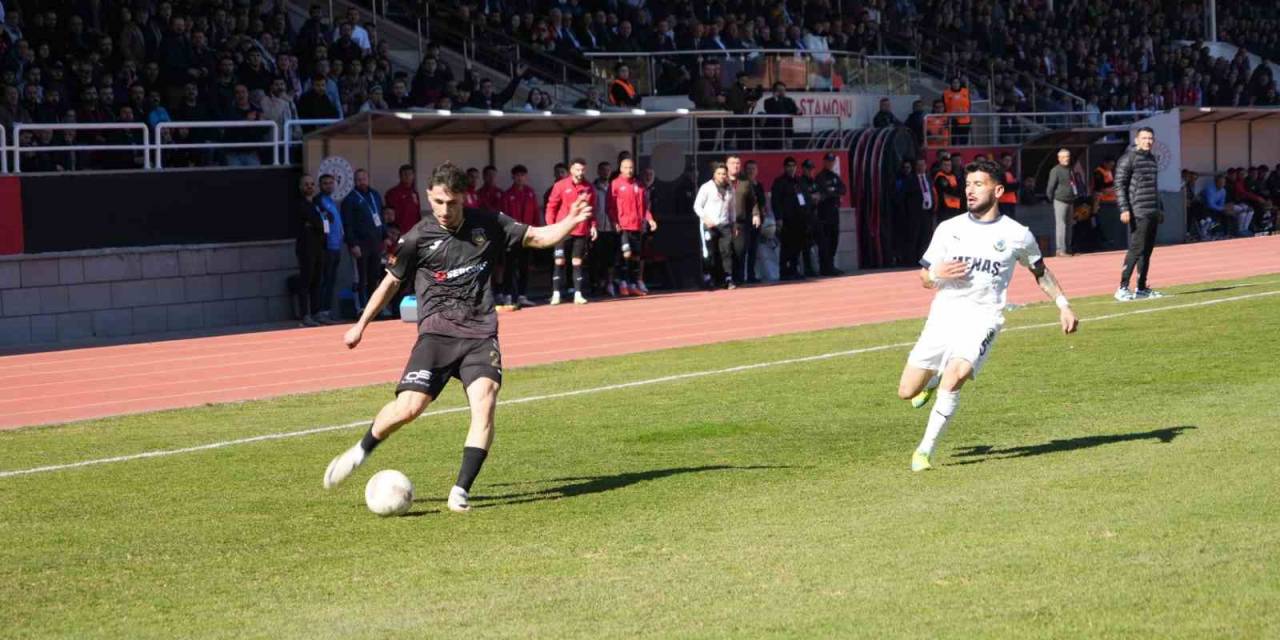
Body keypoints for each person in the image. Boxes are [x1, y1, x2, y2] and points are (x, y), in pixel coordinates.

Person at [319, 163, 594, 510]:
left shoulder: (490, 223)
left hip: (480, 334)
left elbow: (538, 237)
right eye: (437, 202)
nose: (444, 210)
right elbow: (390, 282)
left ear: (464, 198)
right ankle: (360, 451)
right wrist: (360, 325)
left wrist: (570, 221)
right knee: (409, 408)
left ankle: (460, 490)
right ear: (429, 197)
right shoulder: (417, 237)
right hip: (437, 335)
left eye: (451, 202)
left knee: (485, 404)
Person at [898, 158, 1079, 472]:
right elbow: (925, 278)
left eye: (978, 184)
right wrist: (935, 273)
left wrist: (1063, 304)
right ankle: (933, 380)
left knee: (958, 375)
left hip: (984, 318)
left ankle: (924, 451)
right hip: (943, 316)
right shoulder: (948, 229)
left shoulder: (1017, 235)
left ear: (998, 190)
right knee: (906, 391)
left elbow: (1040, 271)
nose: (969, 190)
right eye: (968, 184)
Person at [1114, 127, 1164, 301]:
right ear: (1136, 140)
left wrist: (1160, 208)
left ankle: (1141, 288)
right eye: (1144, 138)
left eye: (1150, 138)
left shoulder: (1151, 159)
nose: (1147, 141)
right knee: (1136, 249)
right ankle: (1122, 288)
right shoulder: (1128, 158)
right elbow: (1119, 185)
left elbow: (1154, 187)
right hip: (1138, 210)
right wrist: (1124, 209)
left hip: (1152, 210)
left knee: (1147, 251)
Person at [545, 158, 597, 305]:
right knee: (559, 261)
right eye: (577, 170)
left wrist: (593, 225)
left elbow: (592, 209)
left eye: (582, 170)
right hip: (563, 229)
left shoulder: (589, 187)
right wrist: (551, 225)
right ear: (571, 170)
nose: (580, 173)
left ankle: (578, 294)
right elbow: (551, 206)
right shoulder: (560, 185)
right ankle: (556, 294)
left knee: (577, 261)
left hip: (580, 230)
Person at [341, 169, 388, 314]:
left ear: (368, 179)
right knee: (361, 277)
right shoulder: (350, 199)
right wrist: (352, 244)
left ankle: (374, 306)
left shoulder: (375, 195)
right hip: (360, 244)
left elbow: (380, 215)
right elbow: (347, 224)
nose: (361, 182)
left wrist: (384, 236)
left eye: (364, 178)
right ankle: (361, 307)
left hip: (375, 242)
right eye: (358, 179)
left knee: (374, 276)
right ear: (354, 181)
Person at [610, 157, 657, 296]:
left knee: (636, 258)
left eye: (631, 168)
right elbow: (610, 207)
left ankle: (631, 284)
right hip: (623, 226)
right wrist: (614, 222)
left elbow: (643, 207)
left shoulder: (639, 185)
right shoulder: (615, 184)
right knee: (626, 254)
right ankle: (622, 283)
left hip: (637, 226)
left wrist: (650, 219)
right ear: (620, 169)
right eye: (626, 167)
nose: (629, 170)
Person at [694, 162, 736, 289]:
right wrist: (706, 219)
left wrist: (733, 223)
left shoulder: (730, 188)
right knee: (708, 253)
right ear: (714, 175)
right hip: (709, 225)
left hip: (724, 224)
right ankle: (708, 278)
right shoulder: (706, 187)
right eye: (719, 174)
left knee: (726, 251)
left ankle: (727, 278)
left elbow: (732, 208)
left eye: (724, 174)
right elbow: (697, 206)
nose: (722, 176)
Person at [502, 165, 539, 307]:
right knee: (510, 267)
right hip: (512, 236)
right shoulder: (507, 195)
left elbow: (535, 212)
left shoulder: (530, 193)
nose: (520, 178)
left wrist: (536, 230)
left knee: (525, 266)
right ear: (513, 177)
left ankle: (523, 295)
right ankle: (507, 296)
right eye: (517, 175)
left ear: (526, 177)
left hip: (528, 234)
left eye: (522, 175)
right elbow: (504, 217)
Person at [772, 156, 813, 279]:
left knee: (798, 246)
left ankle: (794, 270)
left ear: (796, 167)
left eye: (793, 166)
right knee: (786, 246)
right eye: (788, 166)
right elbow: (776, 201)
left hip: (800, 219)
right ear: (785, 168)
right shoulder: (779, 182)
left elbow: (806, 199)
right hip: (786, 219)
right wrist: (778, 218)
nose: (791, 168)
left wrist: (807, 215)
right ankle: (784, 271)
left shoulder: (800, 181)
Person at [295, 174, 326, 327]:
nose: (310, 187)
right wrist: (317, 223)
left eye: (312, 184)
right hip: (306, 248)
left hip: (318, 247)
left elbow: (324, 221)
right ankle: (304, 315)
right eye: (306, 184)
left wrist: (316, 223)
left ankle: (316, 312)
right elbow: (316, 222)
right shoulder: (300, 204)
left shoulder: (316, 204)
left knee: (317, 281)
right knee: (306, 281)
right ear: (301, 187)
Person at [726, 155, 761, 285]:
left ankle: (739, 279)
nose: (735, 166)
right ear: (727, 165)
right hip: (724, 223)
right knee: (725, 251)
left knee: (740, 251)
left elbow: (753, 200)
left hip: (741, 222)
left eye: (738, 163)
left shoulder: (745, 182)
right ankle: (725, 278)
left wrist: (756, 214)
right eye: (732, 163)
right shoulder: (721, 180)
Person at [315, 174, 344, 324]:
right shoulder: (319, 201)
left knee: (331, 280)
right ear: (320, 186)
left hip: (336, 246)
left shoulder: (331, 201)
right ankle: (321, 312)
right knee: (325, 280)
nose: (328, 186)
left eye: (330, 183)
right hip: (327, 248)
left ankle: (327, 310)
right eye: (325, 184)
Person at [813, 153, 847, 275]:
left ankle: (831, 265)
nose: (830, 163)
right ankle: (825, 267)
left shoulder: (834, 176)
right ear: (824, 162)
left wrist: (833, 191)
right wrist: (833, 191)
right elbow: (824, 192)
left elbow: (843, 189)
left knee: (834, 240)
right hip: (824, 214)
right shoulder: (820, 177)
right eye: (828, 161)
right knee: (825, 241)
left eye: (832, 161)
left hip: (834, 212)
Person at [1045, 148, 1079, 256]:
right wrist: (1051, 199)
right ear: (1059, 158)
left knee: (1069, 226)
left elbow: (1073, 183)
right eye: (1064, 157)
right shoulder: (1055, 170)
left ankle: (1068, 249)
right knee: (1061, 225)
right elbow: (1050, 187)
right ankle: (1060, 250)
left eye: (1068, 156)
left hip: (1070, 200)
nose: (1066, 159)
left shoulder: (1070, 169)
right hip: (1060, 200)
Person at [742, 160, 768, 283]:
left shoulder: (759, 186)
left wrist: (763, 219)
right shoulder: (741, 184)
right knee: (742, 250)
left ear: (757, 171)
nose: (751, 171)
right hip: (745, 221)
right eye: (749, 168)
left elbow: (763, 204)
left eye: (753, 168)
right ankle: (740, 276)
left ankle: (751, 275)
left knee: (753, 250)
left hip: (756, 222)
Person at [384, 164, 421, 230]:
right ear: (400, 176)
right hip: (399, 232)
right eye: (405, 174)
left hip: (413, 232)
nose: (407, 177)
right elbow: (389, 217)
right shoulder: (392, 193)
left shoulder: (414, 193)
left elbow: (417, 214)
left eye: (410, 174)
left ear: (413, 176)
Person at [943, 77, 972, 145]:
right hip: (952, 120)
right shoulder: (946, 93)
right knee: (953, 141)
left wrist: (970, 117)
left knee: (964, 141)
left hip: (965, 120)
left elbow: (970, 105)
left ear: (960, 84)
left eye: (957, 82)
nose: (955, 84)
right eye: (954, 82)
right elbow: (944, 107)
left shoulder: (966, 91)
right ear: (951, 84)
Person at [934, 156, 963, 221]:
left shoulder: (952, 175)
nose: (947, 167)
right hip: (945, 208)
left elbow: (959, 188)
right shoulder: (940, 176)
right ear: (941, 166)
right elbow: (948, 191)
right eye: (945, 165)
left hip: (954, 206)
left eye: (949, 165)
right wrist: (957, 189)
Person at [998, 153, 1019, 220]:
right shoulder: (999, 172)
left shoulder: (1011, 172)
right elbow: (1002, 187)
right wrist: (1015, 185)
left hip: (1011, 201)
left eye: (1010, 161)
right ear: (1001, 160)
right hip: (1001, 202)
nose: (1008, 162)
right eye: (1006, 160)